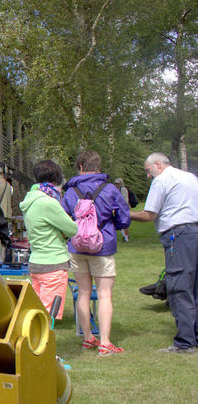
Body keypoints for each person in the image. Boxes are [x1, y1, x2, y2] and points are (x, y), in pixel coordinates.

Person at [62, 151, 130, 356]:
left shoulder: (71, 191)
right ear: (98, 167)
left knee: (83, 292)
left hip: (77, 246)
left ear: (81, 167)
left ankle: (88, 338)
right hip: (102, 246)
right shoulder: (109, 189)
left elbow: (64, 217)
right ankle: (105, 343)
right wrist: (111, 226)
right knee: (104, 294)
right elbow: (124, 218)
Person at [130, 152, 198, 354]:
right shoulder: (190, 177)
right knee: (195, 287)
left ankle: (185, 342)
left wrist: (125, 213)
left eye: (148, 170)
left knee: (179, 287)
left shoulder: (162, 180)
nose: (148, 175)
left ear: (158, 164)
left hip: (178, 235)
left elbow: (149, 214)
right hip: (195, 232)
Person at [20, 160, 78, 319]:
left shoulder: (30, 199)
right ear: (56, 179)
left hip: (36, 261)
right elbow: (72, 229)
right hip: (53, 263)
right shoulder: (48, 202)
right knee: (46, 318)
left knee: (36, 313)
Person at [114, 178, 130, 243]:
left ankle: (126, 237)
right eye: (115, 183)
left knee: (124, 223)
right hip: (118, 208)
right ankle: (125, 236)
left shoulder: (123, 189)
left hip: (123, 208)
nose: (116, 185)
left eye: (117, 183)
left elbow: (125, 200)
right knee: (118, 223)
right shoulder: (116, 190)